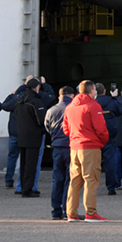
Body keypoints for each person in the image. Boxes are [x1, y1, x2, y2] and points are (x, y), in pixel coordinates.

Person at [64, 80, 110, 222]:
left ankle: (71, 213)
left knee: (75, 181)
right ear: (92, 90)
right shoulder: (93, 106)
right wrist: (102, 141)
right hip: (90, 147)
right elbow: (101, 129)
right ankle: (91, 212)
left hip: (74, 147)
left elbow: (66, 129)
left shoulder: (70, 107)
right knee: (91, 179)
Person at [13, 78, 50, 198]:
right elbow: (41, 120)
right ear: (36, 87)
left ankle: (23, 187)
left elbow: (16, 116)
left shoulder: (20, 100)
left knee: (24, 163)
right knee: (31, 164)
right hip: (33, 136)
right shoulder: (35, 102)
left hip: (22, 135)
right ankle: (28, 189)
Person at [45, 86, 75, 220]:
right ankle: (66, 209)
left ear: (59, 96)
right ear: (72, 96)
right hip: (70, 146)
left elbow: (47, 127)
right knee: (70, 179)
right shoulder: (74, 109)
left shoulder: (51, 110)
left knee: (57, 179)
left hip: (57, 146)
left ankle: (56, 210)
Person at [97, 83, 122, 195]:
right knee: (110, 162)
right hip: (109, 134)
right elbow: (119, 111)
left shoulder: (92, 102)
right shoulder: (111, 101)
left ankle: (90, 186)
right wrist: (115, 97)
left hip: (95, 136)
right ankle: (111, 187)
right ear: (104, 91)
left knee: (93, 162)